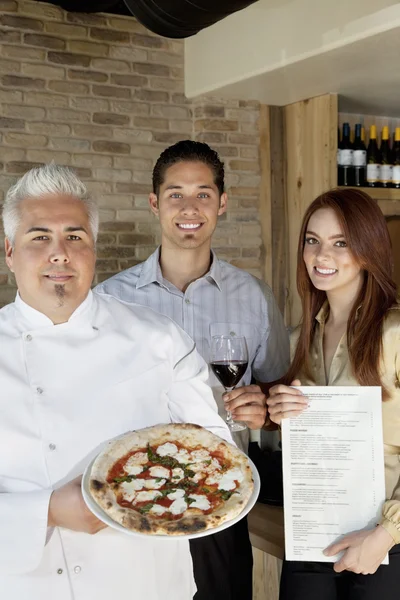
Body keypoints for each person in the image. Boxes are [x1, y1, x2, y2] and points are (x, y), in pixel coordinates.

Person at [0, 163, 235, 600]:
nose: (59, 253)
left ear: (93, 249)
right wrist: (45, 511)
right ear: (10, 251)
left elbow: (217, 456)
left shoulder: (160, 339)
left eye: (75, 237)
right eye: (39, 238)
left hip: (147, 584)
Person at [95, 140, 290, 600]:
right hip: (134, 491)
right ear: (154, 203)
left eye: (203, 193)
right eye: (175, 194)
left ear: (221, 203)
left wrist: (265, 411)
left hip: (223, 489)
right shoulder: (108, 300)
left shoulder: (255, 296)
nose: (190, 207)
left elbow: (279, 392)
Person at [266, 188, 400, 600]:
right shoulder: (296, 341)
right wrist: (276, 413)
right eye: (313, 240)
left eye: (340, 243)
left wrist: (387, 533)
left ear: (367, 249)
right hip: (312, 534)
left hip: (384, 540)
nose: (322, 256)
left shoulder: (395, 334)